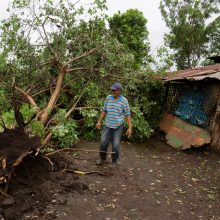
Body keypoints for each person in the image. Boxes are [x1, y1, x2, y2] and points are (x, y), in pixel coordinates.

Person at [96, 82, 132, 167]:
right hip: (108, 125)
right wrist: (99, 121)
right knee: (103, 142)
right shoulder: (108, 98)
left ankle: (114, 160)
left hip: (118, 126)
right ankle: (102, 158)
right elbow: (104, 110)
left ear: (119, 91)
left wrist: (130, 127)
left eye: (114, 90)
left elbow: (128, 114)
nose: (112, 91)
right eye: (112, 90)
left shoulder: (124, 100)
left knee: (115, 144)